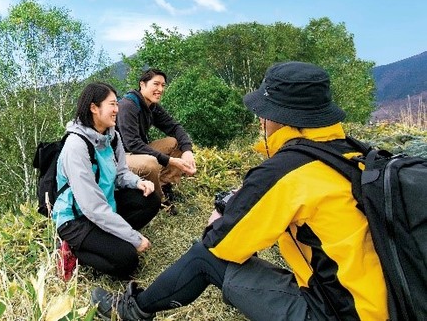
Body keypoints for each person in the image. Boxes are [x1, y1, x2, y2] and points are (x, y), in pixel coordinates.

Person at [92, 62, 388, 321]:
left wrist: (222, 211)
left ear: (278, 117)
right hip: (378, 302)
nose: (260, 120)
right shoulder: (352, 153)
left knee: (205, 256)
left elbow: (222, 241)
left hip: (337, 311)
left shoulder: (288, 171)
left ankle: (129, 311)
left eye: (263, 112)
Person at [52, 82, 161, 279]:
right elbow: (92, 207)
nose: (116, 110)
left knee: (151, 200)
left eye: (116, 104)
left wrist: (138, 182)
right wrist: (133, 238)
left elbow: (120, 173)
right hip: (76, 219)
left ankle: (110, 239)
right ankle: (74, 251)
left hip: (105, 205)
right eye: (112, 104)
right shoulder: (76, 146)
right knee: (127, 261)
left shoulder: (112, 136)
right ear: (94, 108)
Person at [116, 69, 197, 214]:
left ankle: (165, 186)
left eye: (163, 85)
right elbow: (132, 144)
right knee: (150, 163)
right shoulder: (128, 106)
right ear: (142, 84)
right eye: (156, 84)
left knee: (175, 142)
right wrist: (170, 160)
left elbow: (174, 127)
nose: (160, 89)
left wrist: (187, 151)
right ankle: (157, 201)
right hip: (121, 157)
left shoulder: (151, 106)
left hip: (136, 151)